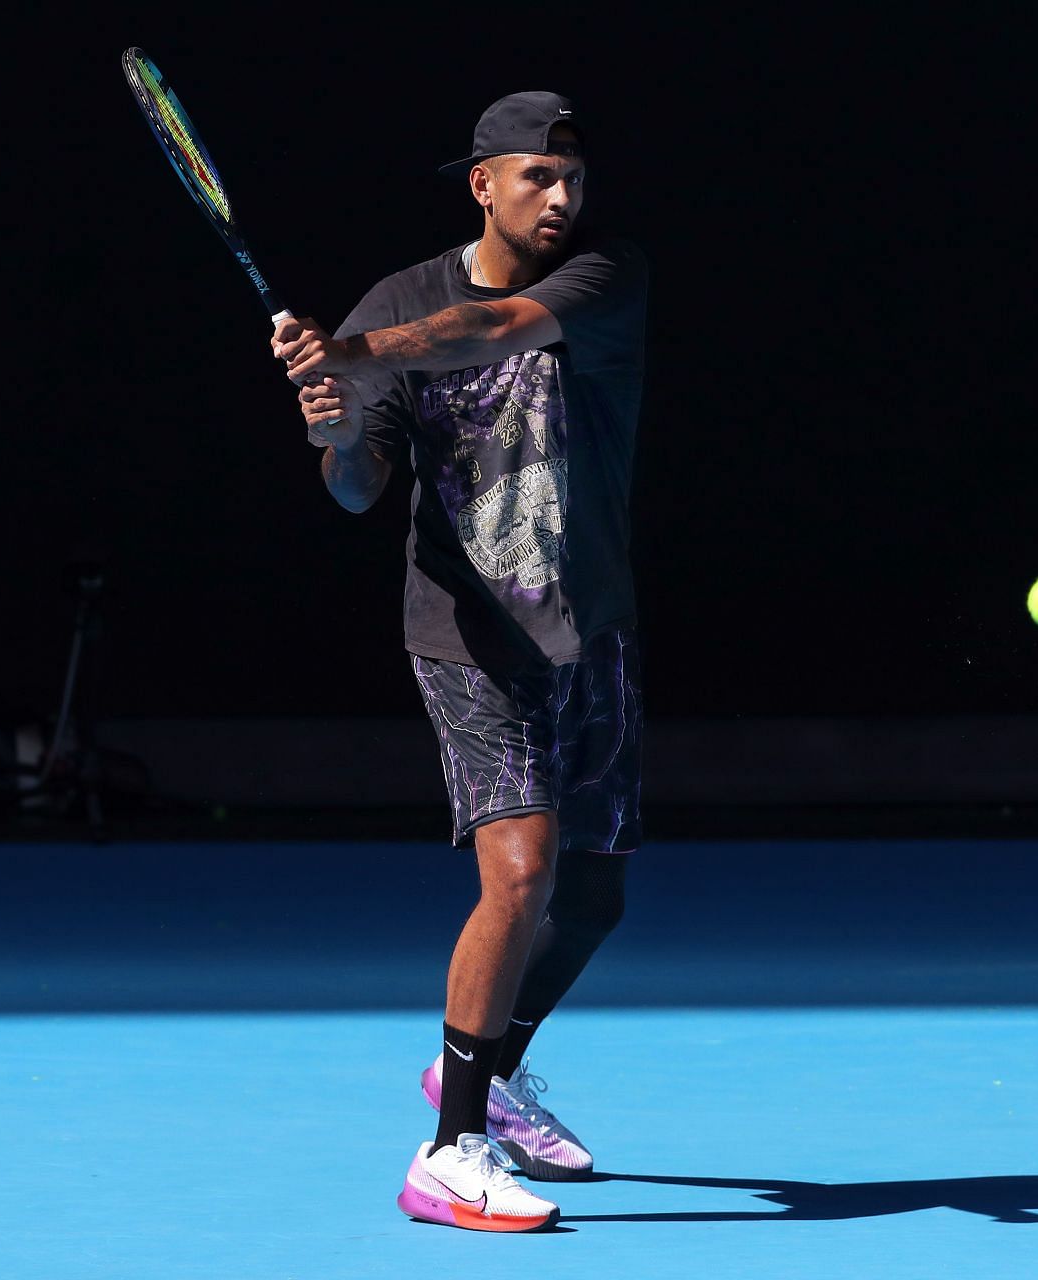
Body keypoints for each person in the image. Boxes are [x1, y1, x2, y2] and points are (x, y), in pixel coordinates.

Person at [269, 90, 648, 1233]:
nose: (562, 197)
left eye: (573, 177)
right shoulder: (396, 299)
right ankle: (450, 1148)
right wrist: (337, 428)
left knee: (592, 896)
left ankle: (489, 1068)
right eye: (538, 176)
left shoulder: (603, 276)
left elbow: (488, 333)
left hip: (592, 623)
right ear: (482, 183)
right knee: (520, 871)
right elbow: (355, 488)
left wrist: (345, 353)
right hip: (466, 629)